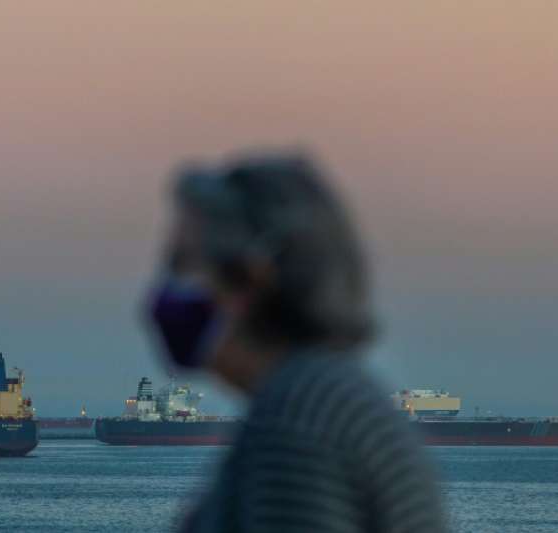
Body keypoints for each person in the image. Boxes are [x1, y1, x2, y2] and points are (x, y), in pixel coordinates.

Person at [144, 153, 447, 532]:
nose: (167, 286)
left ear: (250, 279)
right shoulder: (331, 396)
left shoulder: (295, 422)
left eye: (182, 263)